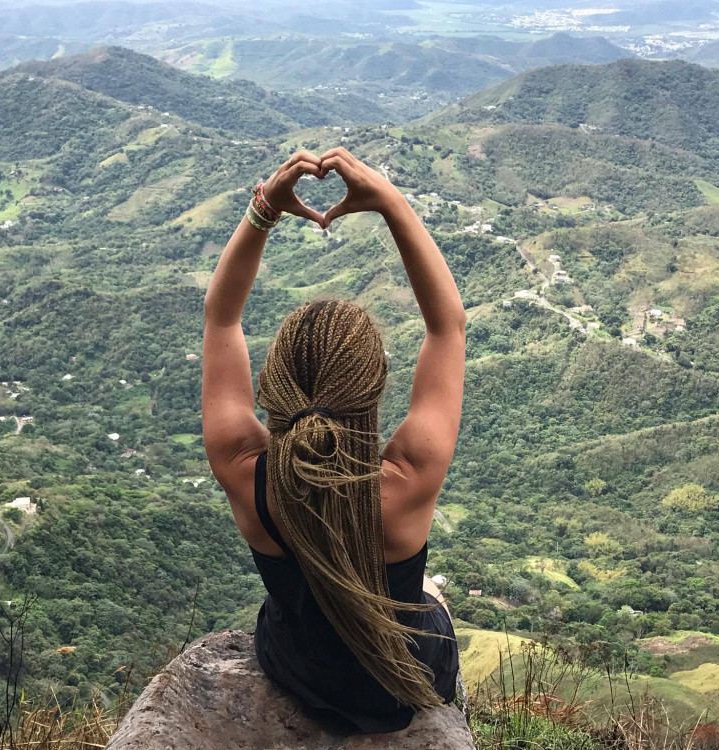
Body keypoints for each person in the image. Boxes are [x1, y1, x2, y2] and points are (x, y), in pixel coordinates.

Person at [201, 147, 466, 733]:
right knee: (434, 608)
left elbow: (220, 316)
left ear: (275, 384)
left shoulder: (245, 470)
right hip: (400, 686)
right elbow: (447, 324)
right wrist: (393, 205)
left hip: (296, 670)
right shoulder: (405, 480)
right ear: (371, 391)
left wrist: (263, 211)